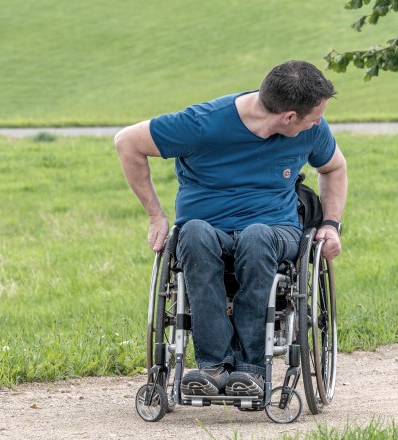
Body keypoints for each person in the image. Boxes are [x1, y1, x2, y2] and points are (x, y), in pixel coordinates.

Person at [114, 60, 348, 398]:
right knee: (192, 234)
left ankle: (250, 369)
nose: (319, 122)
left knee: (256, 237)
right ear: (288, 118)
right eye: (314, 116)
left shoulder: (311, 130)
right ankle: (212, 366)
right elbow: (127, 143)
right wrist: (156, 217)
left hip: (274, 230)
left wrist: (330, 224)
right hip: (207, 229)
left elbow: (334, 167)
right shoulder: (203, 124)